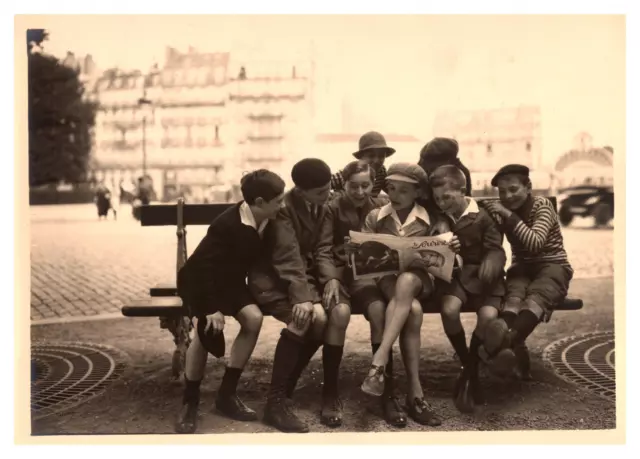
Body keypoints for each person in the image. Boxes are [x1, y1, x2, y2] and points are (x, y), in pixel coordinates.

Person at [174, 169, 286, 434]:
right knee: (206, 331)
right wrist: (211, 309)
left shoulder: (267, 219)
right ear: (259, 202)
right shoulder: (227, 225)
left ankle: (226, 395)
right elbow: (203, 269)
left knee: (253, 319)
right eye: (279, 201)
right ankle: (190, 401)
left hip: (231, 282)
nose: (283, 206)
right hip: (200, 283)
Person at [248, 158, 349, 432]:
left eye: (329, 189)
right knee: (309, 318)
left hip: (303, 278)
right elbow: (286, 256)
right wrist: (303, 297)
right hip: (272, 278)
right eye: (319, 193)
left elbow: (324, 248)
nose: (327, 196)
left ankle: (287, 384)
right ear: (300, 191)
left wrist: (330, 279)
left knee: (322, 317)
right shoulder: (284, 209)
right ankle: (276, 403)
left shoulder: (323, 205)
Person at [357, 163, 456, 427]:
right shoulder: (376, 217)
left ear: (417, 193)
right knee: (411, 310)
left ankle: (379, 360)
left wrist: (449, 246)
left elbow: (444, 260)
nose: (395, 195)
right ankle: (416, 394)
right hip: (387, 281)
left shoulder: (431, 219)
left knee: (409, 279)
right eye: (391, 188)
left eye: (403, 190)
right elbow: (366, 260)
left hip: (421, 281)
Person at [317, 160, 410, 427]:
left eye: (365, 186)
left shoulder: (380, 206)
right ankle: (330, 392)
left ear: (373, 185)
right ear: (343, 185)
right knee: (339, 312)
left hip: (366, 276)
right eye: (353, 186)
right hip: (339, 273)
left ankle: (385, 392)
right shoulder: (331, 208)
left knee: (380, 310)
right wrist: (332, 278)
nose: (359, 192)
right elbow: (322, 250)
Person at [482, 164, 574, 380]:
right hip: (521, 267)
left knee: (537, 295)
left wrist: (507, 216)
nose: (507, 196)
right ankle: (503, 337)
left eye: (513, 189)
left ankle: (504, 343)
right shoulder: (504, 211)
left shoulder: (542, 205)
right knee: (513, 295)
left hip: (552, 265)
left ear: (529, 187)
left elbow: (535, 242)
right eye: (502, 192)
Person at [429, 165, 507, 414]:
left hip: (486, 277)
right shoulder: (442, 217)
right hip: (458, 276)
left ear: (463, 191)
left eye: (447, 198)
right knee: (449, 309)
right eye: (437, 199)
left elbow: (496, 247)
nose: (442, 203)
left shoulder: (483, 216)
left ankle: (469, 371)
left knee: (488, 317)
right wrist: (439, 233)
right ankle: (468, 363)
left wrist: (492, 262)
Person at [330, 131, 396, 197]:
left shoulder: (381, 172)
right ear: (361, 157)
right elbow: (323, 184)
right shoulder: (350, 172)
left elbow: (393, 192)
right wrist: (339, 196)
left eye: (381, 156)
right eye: (371, 156)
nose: (376, 160)